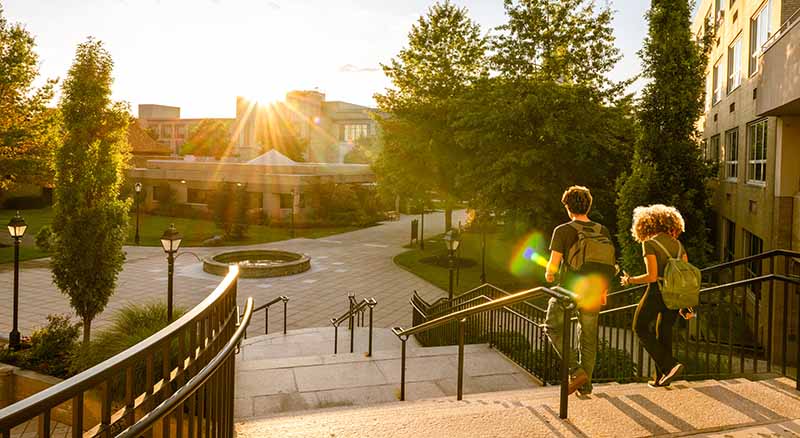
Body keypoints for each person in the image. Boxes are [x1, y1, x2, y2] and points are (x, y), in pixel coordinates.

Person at [545, 186, 616, 395]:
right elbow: (608, 262)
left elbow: (553, 265)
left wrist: (549, 275)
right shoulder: (602, 230)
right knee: (588, 338)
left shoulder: (563, 230)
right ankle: (585, 385)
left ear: (568, 207)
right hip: (595, 291)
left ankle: (575, 371)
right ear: (588, 205)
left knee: (551, 327)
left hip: (569, 291)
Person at [621, 204, 689, 388]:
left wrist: (630, 280)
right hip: (674, 294)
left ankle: (670, 365)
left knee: (639, 327)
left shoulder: (649, 243)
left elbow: (651, 276)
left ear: (647, 224)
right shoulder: (678, 245)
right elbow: (685, 274)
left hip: (657, 291)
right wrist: (685, 304)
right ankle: (660, 378)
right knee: (664, 332)